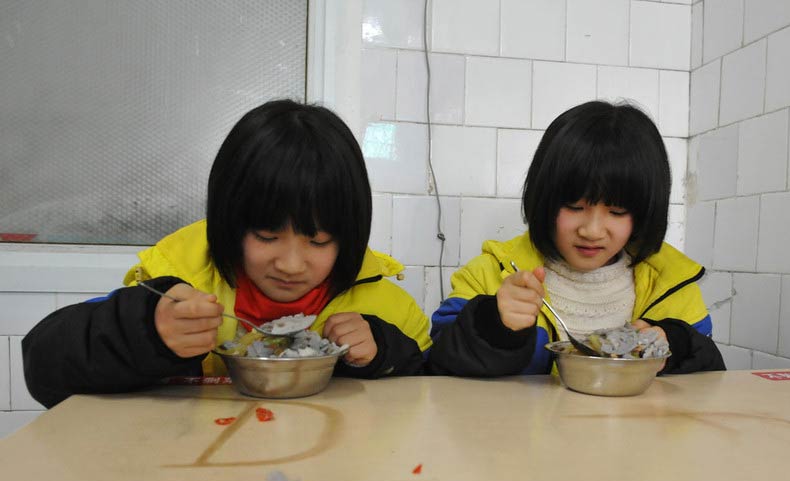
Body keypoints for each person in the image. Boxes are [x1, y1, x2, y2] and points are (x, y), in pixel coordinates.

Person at [23, 99, 431, 408]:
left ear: (351, 235)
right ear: (230, 222)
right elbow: (44, 369)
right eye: (267, 235)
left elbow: (434, 403)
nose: (290, 264)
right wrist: (147, 333)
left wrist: (384, 353)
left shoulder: (386, 305)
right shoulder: (174, 288)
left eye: (318, 241)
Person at [427, 100, 724, 377]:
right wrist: (494, 325)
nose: (592, 231)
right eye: (574, 207)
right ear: (544, 199)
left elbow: (711, 380)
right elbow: (436, 364)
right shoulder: (491, 274)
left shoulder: (672, 284)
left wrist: (676, 341)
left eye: (617, 211)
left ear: (645, 212)